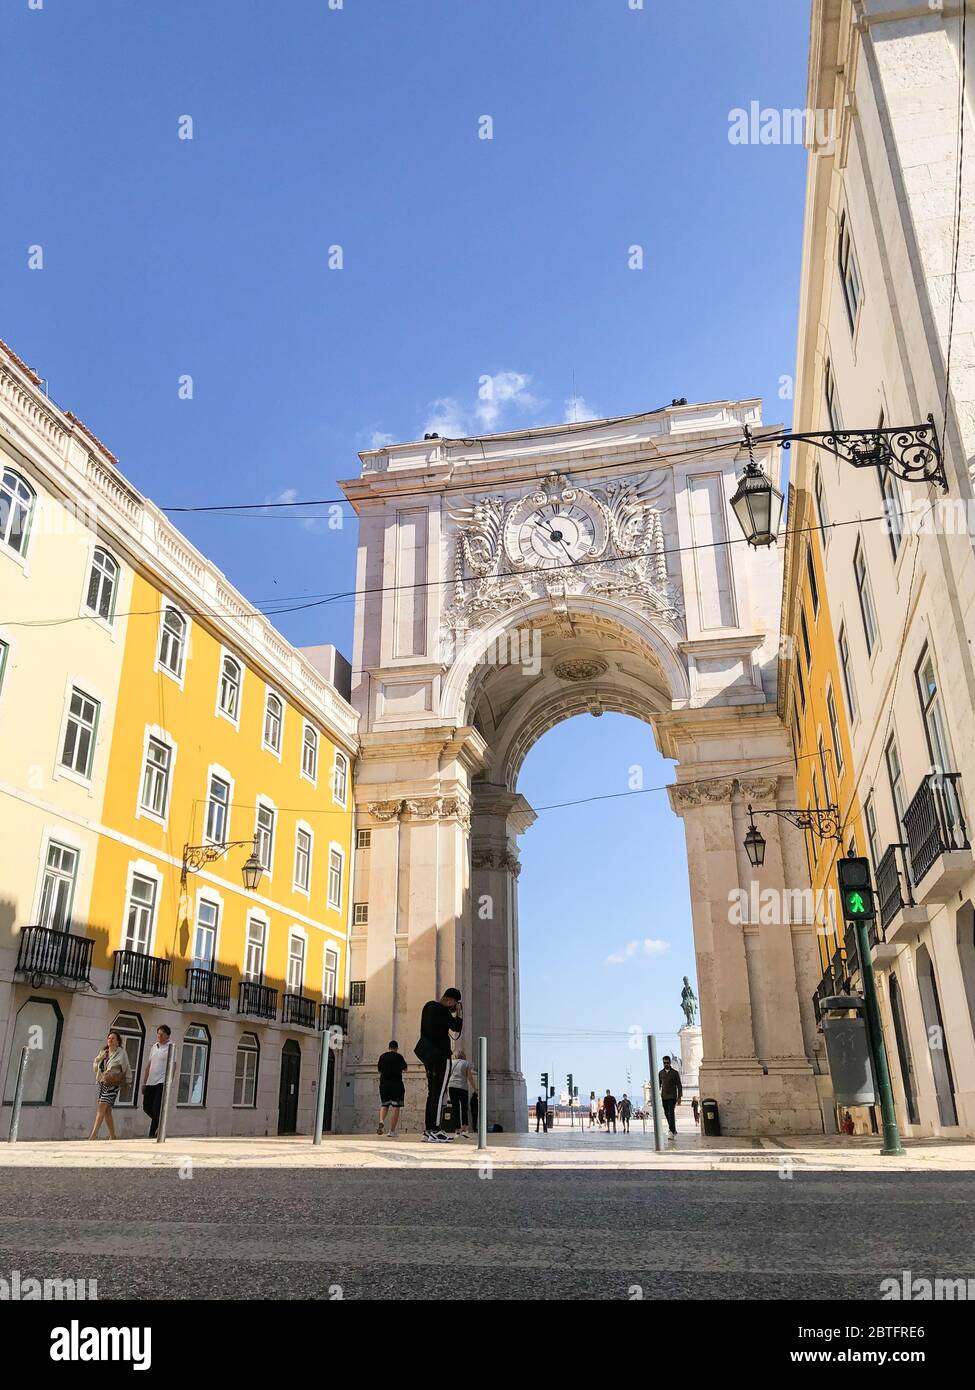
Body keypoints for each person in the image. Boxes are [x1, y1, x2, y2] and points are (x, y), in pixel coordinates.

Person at [414, 987, 463, 1142]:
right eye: (454, 1003)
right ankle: (436, 1129)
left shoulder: (428, 1007)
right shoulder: (442, 1011)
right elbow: (456, 1027)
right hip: (441, 1056)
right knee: (440, 1093)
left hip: (429, 1057)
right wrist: (459, 1013)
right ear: (450, 1000)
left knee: (432, 1093)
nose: (453, 1006)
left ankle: (428, 1130)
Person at [89, 1030, 132, 1140]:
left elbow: (126, 1068)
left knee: (101, 1106)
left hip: (113, 1084)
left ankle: (93, 1135)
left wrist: (128, 1082)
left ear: (118, 1042)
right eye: (109, 1038)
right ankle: (113, 1135)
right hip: (103, 1083)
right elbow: (95, 1066)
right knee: (107, 1111)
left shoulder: (121, 1053)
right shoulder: (104, 1052)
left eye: (113, 1038)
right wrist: (99, 1059)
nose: (110, 1040)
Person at [141, 1024, 172, 1139]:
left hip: (162, 1081)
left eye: (162, 1034)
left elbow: (173, 1065)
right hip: (151, 1081)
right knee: (146, 1107)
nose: (159, 1036)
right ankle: (160, 1122)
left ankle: (152, 1134)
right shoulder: (154, 1046)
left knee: (156, 1107)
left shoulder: (171, 1047)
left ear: (167, 1035)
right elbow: (148, 1065)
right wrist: (144, 1082)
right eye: (158, 1033)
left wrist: (169, 1082)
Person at [377, 1040, 408, 1136]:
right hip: (396, 1085)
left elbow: (379, 1070)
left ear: (389, 1047)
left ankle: (381, 1120)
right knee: (396, 1107)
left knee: (384, 1105)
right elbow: (405, 1069)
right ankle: (392, 1131)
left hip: (384, 1084)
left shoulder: (382, 1056)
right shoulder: (399, 1057)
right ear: (396, 1048)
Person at [659, 1055, 683, 1139]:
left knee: (671, 1113)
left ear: (670, 1063)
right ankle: (673, 1129)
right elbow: (658, 1085)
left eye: (667, 1062)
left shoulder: (675, 1073)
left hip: (672, 1097)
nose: (666, 1064)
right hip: (664, 1096)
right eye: (664, 1063)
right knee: (666, 1113)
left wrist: (679, 1097)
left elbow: (679, 1085)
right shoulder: (661, 1073)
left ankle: (671, 1130)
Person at [448, 1049, 471, 1137]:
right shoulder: (466, 1063)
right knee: (464, 1107)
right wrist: (475, 1088)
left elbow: (448, 1075)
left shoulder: (451, 1063)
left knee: (455, 1108)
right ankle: (465, 1129)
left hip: (452, 1086)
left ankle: (457, 1130)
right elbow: (469, 1077)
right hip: (462, 1087)